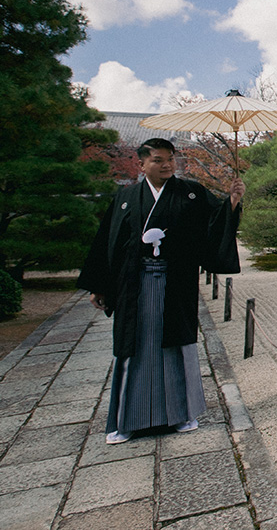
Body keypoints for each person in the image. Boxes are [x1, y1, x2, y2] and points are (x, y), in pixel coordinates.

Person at [78, 138, 245, 444]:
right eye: (158, 160)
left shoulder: (191, 193)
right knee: (133, 348)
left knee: (177, 346)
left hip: (175, 282)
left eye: (170, 159)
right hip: (133, 284)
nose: (167, 164)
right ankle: (127, 420)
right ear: (141, 164)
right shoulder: (126, 196)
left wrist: (232, 202)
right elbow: (108, 241)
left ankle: (182, 414)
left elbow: (215, 225)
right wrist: (99, 285)